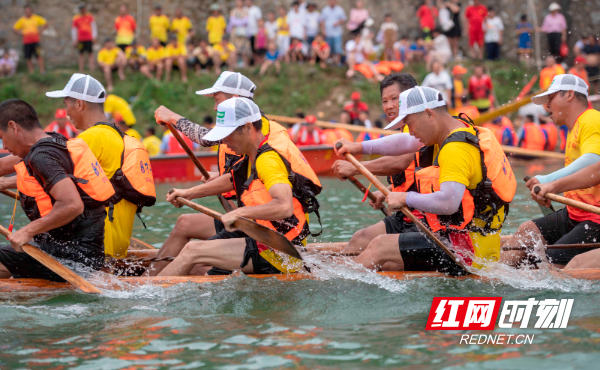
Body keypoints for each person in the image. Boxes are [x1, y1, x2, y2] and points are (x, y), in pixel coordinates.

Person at [334, 86, 515, 274]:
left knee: (381, 246)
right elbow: (405, 142)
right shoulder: (452, 128)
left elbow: (449, 203)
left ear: (429, 114)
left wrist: (405, 198)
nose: (410, 132)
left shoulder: (456, 150)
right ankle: (343, 278)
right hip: (460, 237)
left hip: (468, 248)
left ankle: (336, 286)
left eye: (410, 124)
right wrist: (357, 147)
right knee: (373, 250)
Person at [149, 72, 300, 275]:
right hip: (255, 228)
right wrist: (189, 193)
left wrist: (239, 212)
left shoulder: (267, 153)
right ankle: (147, 281)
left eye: (217, 100)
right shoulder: (252, 149)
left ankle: (145, 294)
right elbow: (234, 179)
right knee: (190, 244)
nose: (224, 142)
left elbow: (283, 205)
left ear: (246, 127)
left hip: (276, 245)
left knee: (193, 254)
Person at [0, 99, 114, 281]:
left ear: (13, 127)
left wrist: (27, 231)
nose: (4, 146)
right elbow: (5, 165)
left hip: (74, 260)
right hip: (86, 254)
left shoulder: (42, 156)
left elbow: (72, 205)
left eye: (2, 137)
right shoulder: (54, 142)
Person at [44, 74, 156, 259]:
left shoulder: (91, 138)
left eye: (66, 105)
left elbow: (47, 170)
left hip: (96, 248)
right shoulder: (122, 137)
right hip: (118, 247)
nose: (67, 112)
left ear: (79, 104)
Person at [503, 74, 600, 268]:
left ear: (570, 95)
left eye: (551, 99)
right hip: (575, 214)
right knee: (526, 231)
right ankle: (490, 282)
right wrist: (548, 187)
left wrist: (550, 182)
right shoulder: (575, 127)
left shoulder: (591, 119)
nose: (546, 106)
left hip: (595, 218)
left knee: (553, 259)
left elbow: (594, 162)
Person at [13, 5, 47, 74]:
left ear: (31, 11)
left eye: (29, 11)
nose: (28, 12)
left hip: (36, 41)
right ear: (24, 12)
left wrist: (40, 31)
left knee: (39, 55)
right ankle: (31, 72)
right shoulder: (22, 20)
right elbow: (15, 29)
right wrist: (20, 33)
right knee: (28, 57)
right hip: (27, 42)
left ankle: (42, 70)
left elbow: (46, 23)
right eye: (26, 11)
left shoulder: (36, 18)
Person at [320, 0, 347, 65]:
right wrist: (323, 31)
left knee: (338, 49)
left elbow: (343, 19)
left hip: (337, 33)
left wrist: (337, 22)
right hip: (328, 33)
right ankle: (330, 62)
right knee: (328, 49)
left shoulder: (340, 9)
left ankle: (338, 63)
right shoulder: (325, 10)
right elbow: (322, 21)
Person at [72, 4, 97, 72]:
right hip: (80, 39)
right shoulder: (76, 18)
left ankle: (92, 69)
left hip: (88, 38)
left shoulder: (89, 16)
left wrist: (94, 36)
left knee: (90, 53)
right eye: (82, 9)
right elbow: (74, 29)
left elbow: (93, 27)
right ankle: (81, 69)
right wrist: (74, 39)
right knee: (81, 53)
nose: (83, 10)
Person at [228, 0, 250, 68]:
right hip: (235, 33)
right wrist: (241, 21)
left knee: (244, 49)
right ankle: (234, 65)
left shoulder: (245, 11)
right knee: (234, 49)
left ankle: (246, 65)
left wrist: (238, 22)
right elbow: (232, 21)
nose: (238, 3)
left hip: (243, 33)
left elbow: (246, 21)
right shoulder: (233, 11)